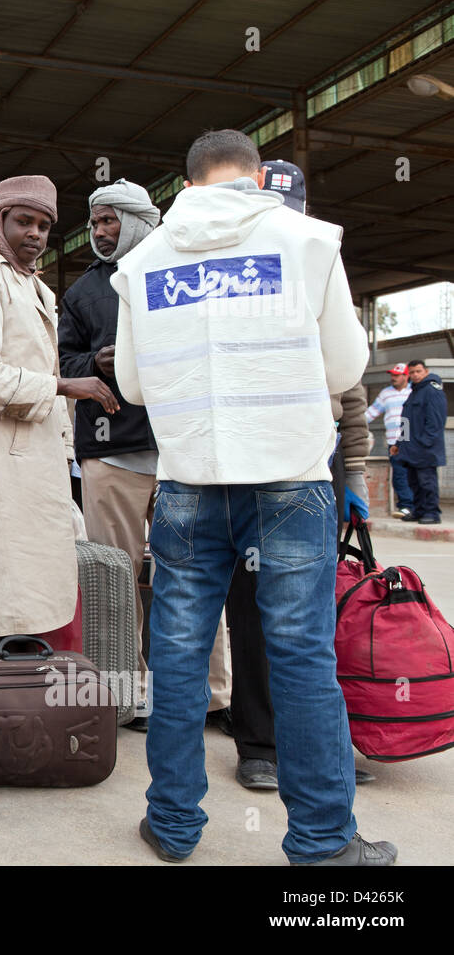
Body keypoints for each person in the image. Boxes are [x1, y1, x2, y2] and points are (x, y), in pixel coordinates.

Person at [113, 129, 394, 865]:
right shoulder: (305, 240)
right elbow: (344, 365)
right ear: (256, 174)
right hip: (289, 480)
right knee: (301, 656)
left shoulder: (142, 262)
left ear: (190, 179)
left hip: (187, 484)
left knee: (176, 656)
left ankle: (172, 826)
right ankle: (324, 842)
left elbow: (134, 386)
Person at [225, 159, 375, 790]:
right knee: (257, 615)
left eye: (293, 204)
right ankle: (258, 745)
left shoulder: (319, 260)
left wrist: (356, 482)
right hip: (246, 471)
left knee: (315, 620)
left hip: (315, 469)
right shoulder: (233, 271)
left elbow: (351, 391)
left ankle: (319, 751)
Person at [0, 175, 115, 655]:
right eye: (23, 221)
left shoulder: (32, 286)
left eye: (43, 225)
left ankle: (17, 707)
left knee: (25, 594)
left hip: (27, 464)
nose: (34, 233)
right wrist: (61, 385)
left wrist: (63, 452)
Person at [57, 179, 160, 725]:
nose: (98, 232)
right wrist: (92, 364)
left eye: (110, 221)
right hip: (110, 454)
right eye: (95, 223)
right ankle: (124, 694)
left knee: (190, 580)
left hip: (183, 456)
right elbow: (59, 363)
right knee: (115, 580)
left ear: (140, 219)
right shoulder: (83, 292)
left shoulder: (176, 270)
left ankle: (213, 696)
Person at [395, 359, 446, 525]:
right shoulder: (415, 391)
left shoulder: (432, 390)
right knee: (414, 483)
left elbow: (436, 421)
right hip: (411, 448)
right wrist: (399, 443)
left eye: (418, 371)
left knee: (427, 482)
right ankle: (419, 511)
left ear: (426, 371)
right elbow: (406, 422)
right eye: (412, 372)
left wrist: (425, 443)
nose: (415, 375)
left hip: (425, 448)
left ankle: (431, 513)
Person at [366, 363, 415, 518]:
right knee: (399, 474)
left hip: (412, 441)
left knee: (415, 475)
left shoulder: (414, 391)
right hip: (395, 441)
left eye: (397, 375)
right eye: (392, 375)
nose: (393, 378)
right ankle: (406, 506)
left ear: (406, 376)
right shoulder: (386, 393)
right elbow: (371, 412)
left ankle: (417, 506)